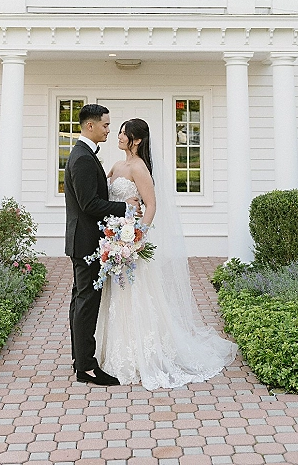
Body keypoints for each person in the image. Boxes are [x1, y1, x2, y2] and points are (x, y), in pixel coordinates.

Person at [95, 118, 237, 390]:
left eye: (124, 133)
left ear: (136, 140)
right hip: (114, 239)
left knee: (138, 297)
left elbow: (151, 204)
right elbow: (109, 200)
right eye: (120, 132)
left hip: (131, 243)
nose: (119, 136)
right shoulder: (116, 166)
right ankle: (113, 353)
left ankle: (146, 355)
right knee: (117, 297)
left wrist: (138, 237)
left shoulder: (139, 168)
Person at [64, 103, 140, 386]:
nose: (109, 130)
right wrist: (124, 207)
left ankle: (79, 358)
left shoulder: (84, 154)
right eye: (106, 125)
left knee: (80, 299)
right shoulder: (83, 157)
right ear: (90, 126)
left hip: (82, 239)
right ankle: (86, 367)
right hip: (86, 241)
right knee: (86, 302)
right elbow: (90, 204)